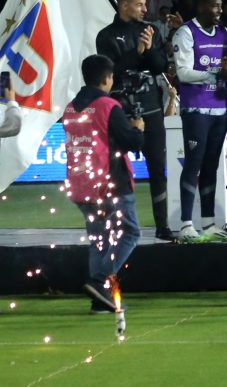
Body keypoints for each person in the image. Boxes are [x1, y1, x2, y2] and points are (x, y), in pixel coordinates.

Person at [63, 54, 144, 313]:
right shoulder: (108, 106)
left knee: (100, 240)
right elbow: (132, 142)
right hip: (110, 183)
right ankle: (99, 282)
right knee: (130, 233)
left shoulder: (71, 107)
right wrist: (138, 128)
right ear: (107, 78)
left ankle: (99, 300)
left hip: (81, 185)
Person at [95, 0, 172, 240]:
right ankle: (116, 225)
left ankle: (162, 226)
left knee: (158, 168)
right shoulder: (106, 36)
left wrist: (149, 49)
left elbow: (161, 67)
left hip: (151, 108)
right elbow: (111, 74)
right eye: (140, 4)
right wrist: (137, 52)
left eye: (145, 4)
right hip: (119, 110)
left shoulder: (150, 31)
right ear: (124, 5)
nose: (145, 9)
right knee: (115, 169)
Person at [171, 0, 227, 242]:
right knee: (194, 163)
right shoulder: (185, 33)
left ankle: (209, 223)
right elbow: (183, 73)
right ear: (200, 6)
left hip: (219, 109)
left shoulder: (224, 33)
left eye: (220, 5)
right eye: (214, 5)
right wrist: (216, 73)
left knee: (212, 165)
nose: (219, 10)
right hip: (196, 109)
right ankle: (186, 224)